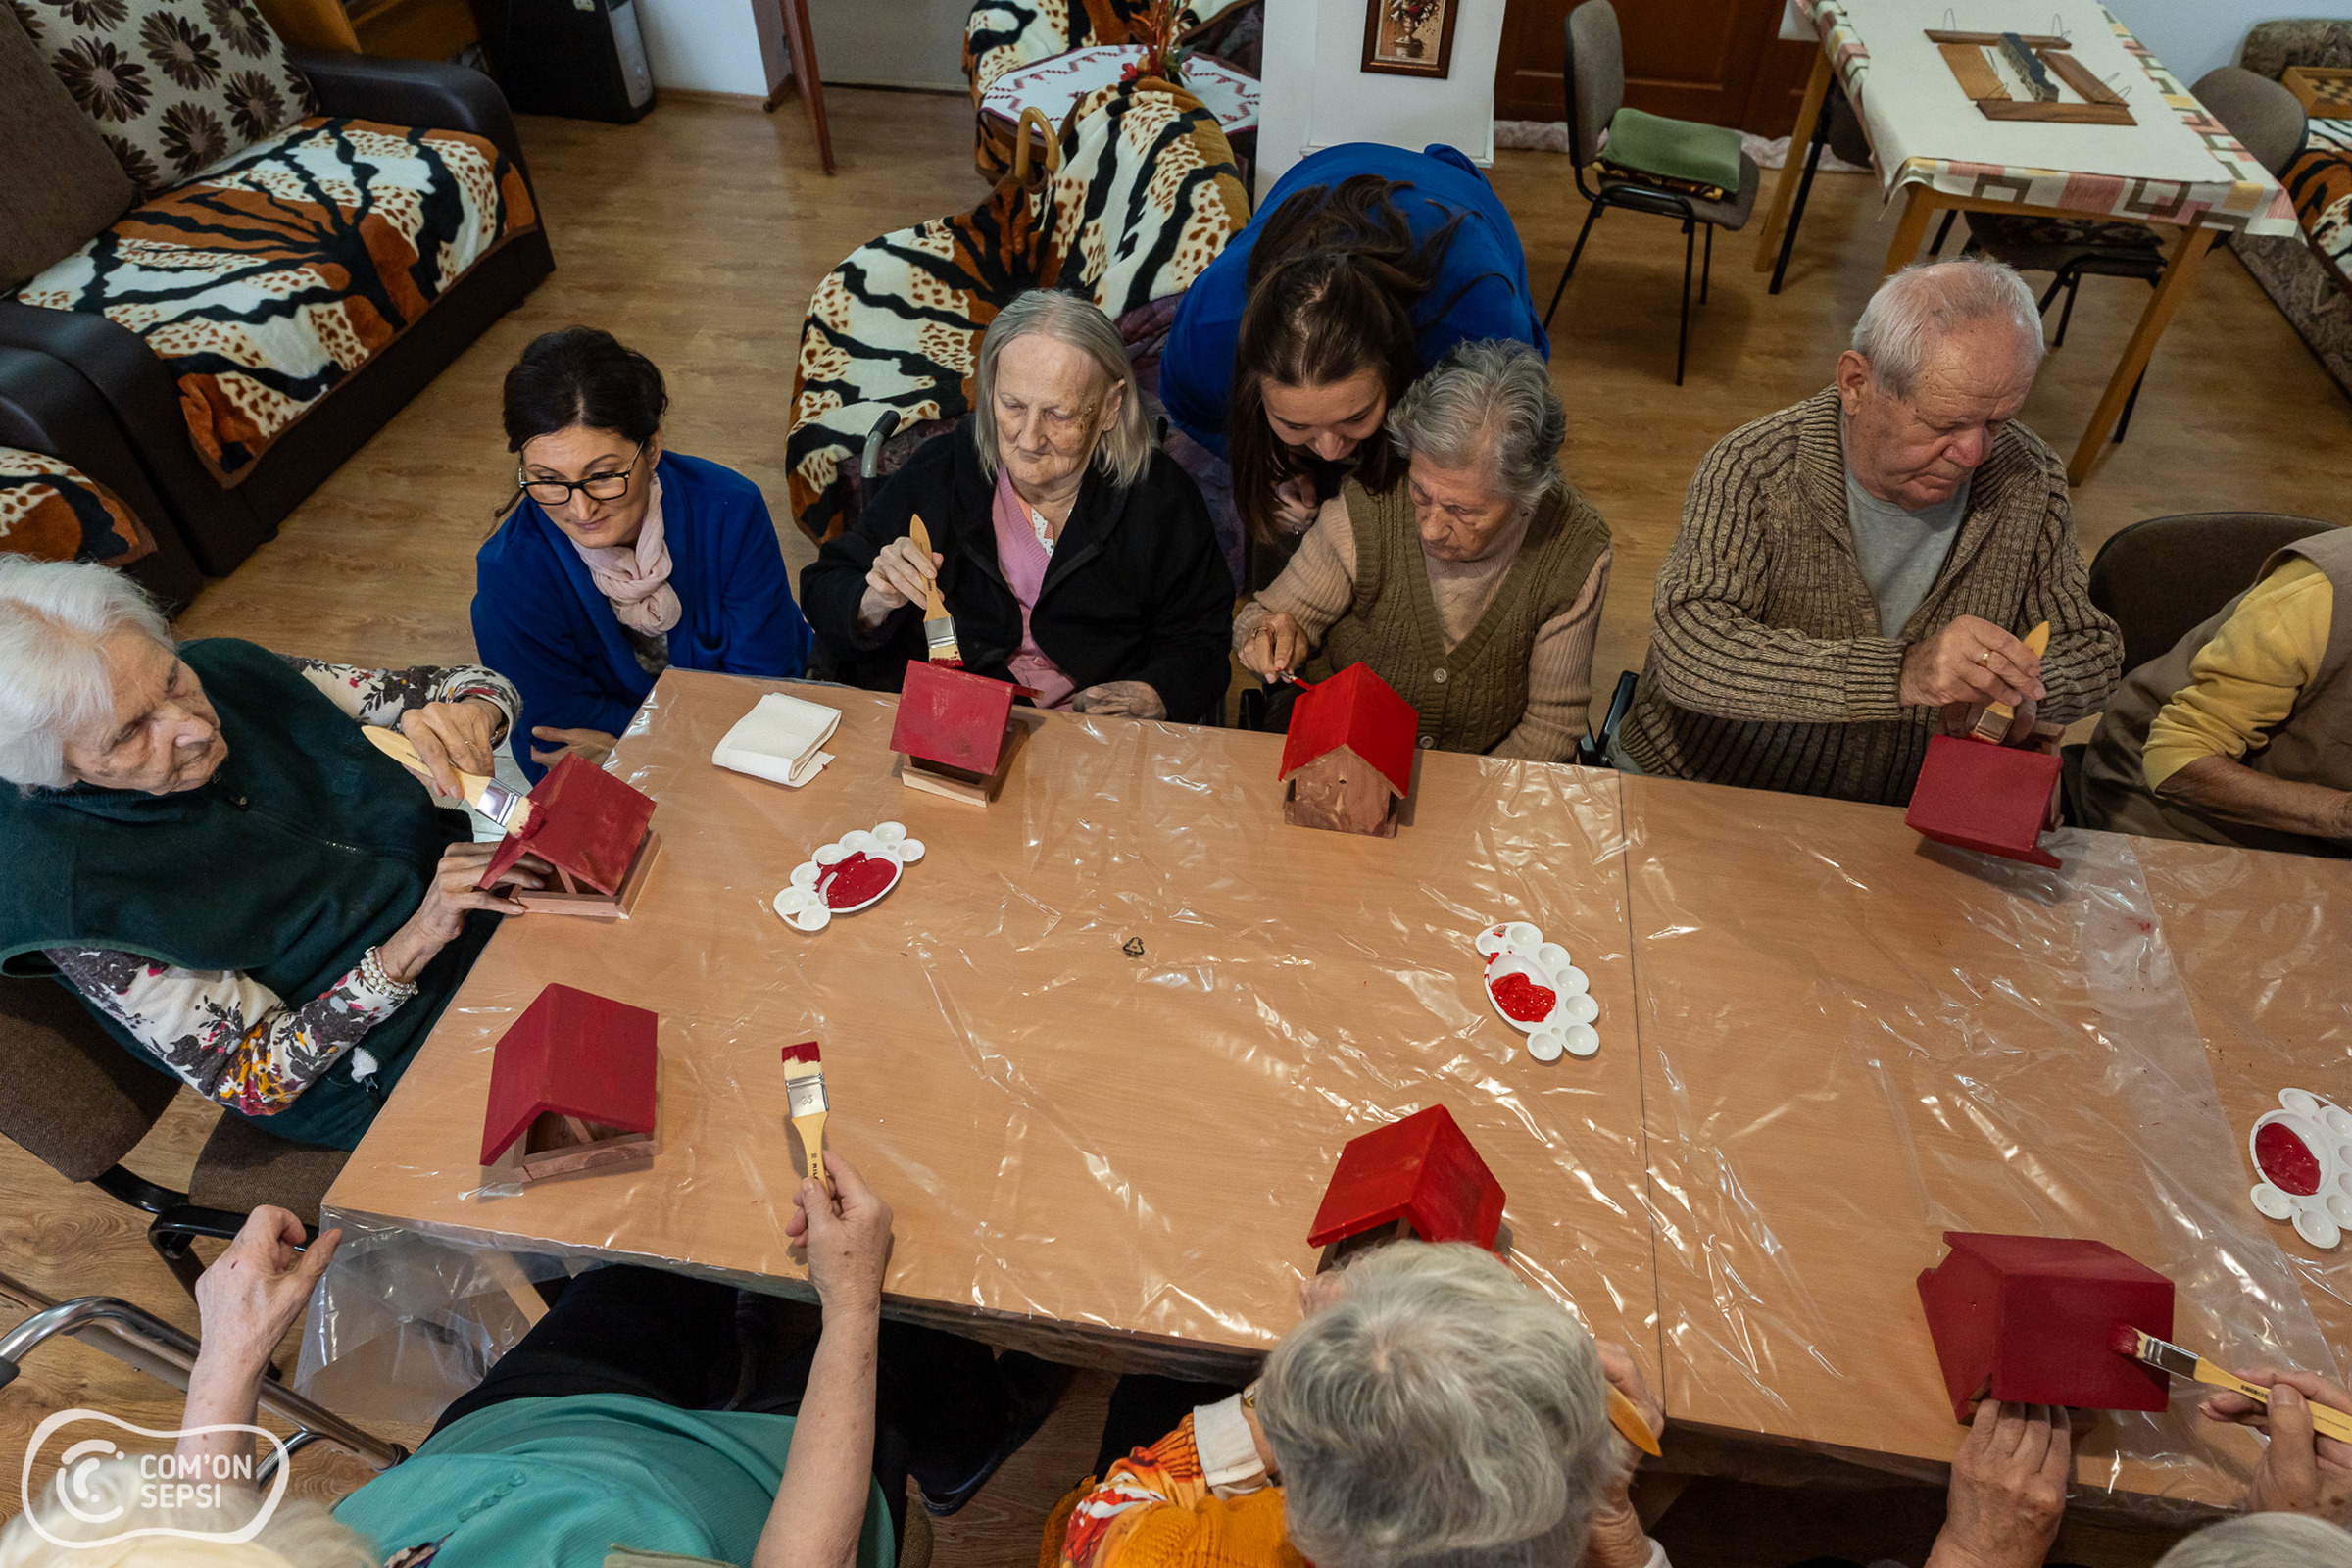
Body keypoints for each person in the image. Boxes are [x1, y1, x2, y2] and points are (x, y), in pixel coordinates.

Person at [0, 1154, 1064, 1566]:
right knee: (919, 1333)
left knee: (644, 1272)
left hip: (517, 1440)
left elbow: (201, 1540)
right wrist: (850, 1305)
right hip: (756, 1491)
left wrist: (227, 1363)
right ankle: (956, 1425)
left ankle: (738, 1329)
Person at [0, 558, 541, 1152]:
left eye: (172, 680)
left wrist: (472, 714)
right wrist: (417, 938)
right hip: (376, 1057)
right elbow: (251, 1078)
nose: (194, 727)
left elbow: (470, 686)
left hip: (480, 928)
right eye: (130, 734)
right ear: (55, 769)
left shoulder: (228, 672)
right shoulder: (68, 895)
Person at [1614, 259, 2122, 806]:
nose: (1975, 453)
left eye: (1996, 422)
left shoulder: (2028, 479)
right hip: (1712, 788)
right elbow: (1691, 651)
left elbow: (2092, 649)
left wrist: (2020, 690)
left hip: (1900, 811)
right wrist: (1902, 673)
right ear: (1856, 382)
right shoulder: (1755, 468)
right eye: (1943, 424)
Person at [1043, 1240, 1666, 1568]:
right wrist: (1612, 1524)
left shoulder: (1172, 1557)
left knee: (1150, 1385)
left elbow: (1095, 1526)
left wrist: (1280, 1400)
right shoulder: (1573, 1527)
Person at [801, 290, 1232, 724]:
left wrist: (1157, 691)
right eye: (1012, 405)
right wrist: (874, 601)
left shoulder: (1160, 500)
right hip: (952, 721)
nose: (1028, 439)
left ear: (1109, 407)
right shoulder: (942, 472)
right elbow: (824, 586)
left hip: (1088, 738)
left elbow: (1202, 641)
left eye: (1059, 414)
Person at [1161, 145, 1550, 558]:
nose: (1330, 451)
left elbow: (1522, 443)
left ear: (1395, 365)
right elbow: (1188, 410)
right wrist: (1276, 466)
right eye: (1294, 425)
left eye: (1357, 416)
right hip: (1318, 174)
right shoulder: (1210, 328)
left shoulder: (1480, 324)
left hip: (1451, 203)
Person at [1233, 339, 1610, 761]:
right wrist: (1266, 635)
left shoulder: (1574, 550)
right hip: (1337, 754)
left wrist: (1462, 808)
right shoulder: (1370, 505)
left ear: (1528, 496)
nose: (1430, 528)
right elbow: (1264, 617)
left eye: (1463, 510)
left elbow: (1550, 727)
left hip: (1483, 773)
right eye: (1420, 491)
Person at [474, 327, 814, 782]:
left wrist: (632, 745)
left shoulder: (729, 507)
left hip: (754, 744)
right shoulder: (510, 573)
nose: (581, 509)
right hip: (612, 782)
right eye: (547, 480)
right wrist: (674, 743)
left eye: (603, 475)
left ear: (652, 448)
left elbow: (764, 683)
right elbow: (555, 735)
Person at [2078, 528, 2352, 856]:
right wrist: (2341, 815)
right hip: (2186, 814)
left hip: (2321, 832)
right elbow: (2178, 758)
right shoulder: (2314, 601)